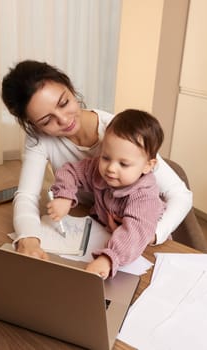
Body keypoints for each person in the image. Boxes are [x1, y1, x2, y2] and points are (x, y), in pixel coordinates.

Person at [1, 60, 192, 259]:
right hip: (95, 226)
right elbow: (27, 196)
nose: (64, 120)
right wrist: (29, 239)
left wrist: (149, 234)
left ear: (71, 89)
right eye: (47, 120)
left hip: (141, 235)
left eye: (64, 103)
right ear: (33, 125)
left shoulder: (118, 133)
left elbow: (180, 195)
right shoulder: (39, 138)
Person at [48, 109, 166, 279]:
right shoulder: (98, 169)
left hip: (143, 253)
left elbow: (134, 235)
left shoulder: (144, 196)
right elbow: (69, 171)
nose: (110, 168)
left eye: (124, 164)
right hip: (103, 234)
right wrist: (64, 196)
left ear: (148, 165)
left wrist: (109, 259)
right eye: (106, 157)